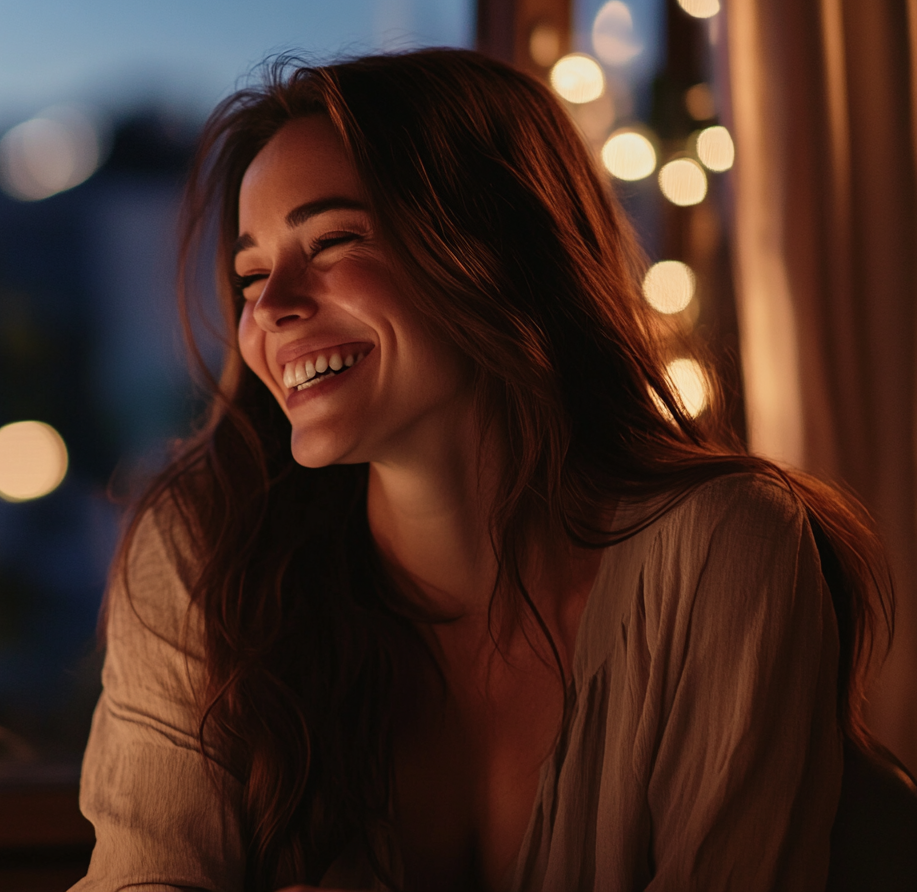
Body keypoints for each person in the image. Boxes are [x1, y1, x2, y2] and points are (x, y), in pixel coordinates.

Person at [71, 49, 896, 892]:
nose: (271, 308)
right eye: (250, 275)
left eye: (332, 241)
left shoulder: (726, 551)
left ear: (495, 250)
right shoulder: (206, 548)